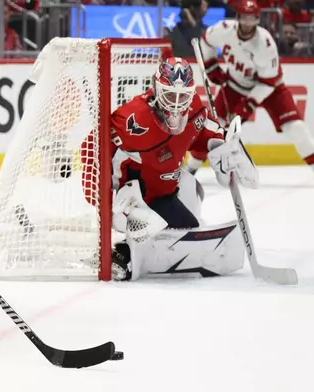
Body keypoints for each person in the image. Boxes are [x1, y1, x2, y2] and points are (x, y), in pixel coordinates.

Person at [81, 57, 258, 281]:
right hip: (134, 199)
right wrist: (105, 202)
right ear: (156, 88)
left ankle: (135, 251)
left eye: (182, 96)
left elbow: (207, 134)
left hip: (163, 194)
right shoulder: (132, 120)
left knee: (190, 217)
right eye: (169, 95)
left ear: (191, 93)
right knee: (150, 225)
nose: (176, 103)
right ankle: (125, 249)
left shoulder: (194, 110)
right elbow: (91, 148)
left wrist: (224, 148)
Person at [186, 0, 314, 174]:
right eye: (244, 18)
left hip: (270, 89)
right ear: (237, 17)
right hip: (235, 85)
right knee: (213, 126)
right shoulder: (223, 29)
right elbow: (206, 41)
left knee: (296, 128)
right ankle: (191, 168)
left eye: (251, 19)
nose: (247, 23)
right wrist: (210, 65)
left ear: (257, 19)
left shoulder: (265, 44)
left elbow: (269, 81)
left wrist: (248, 105)